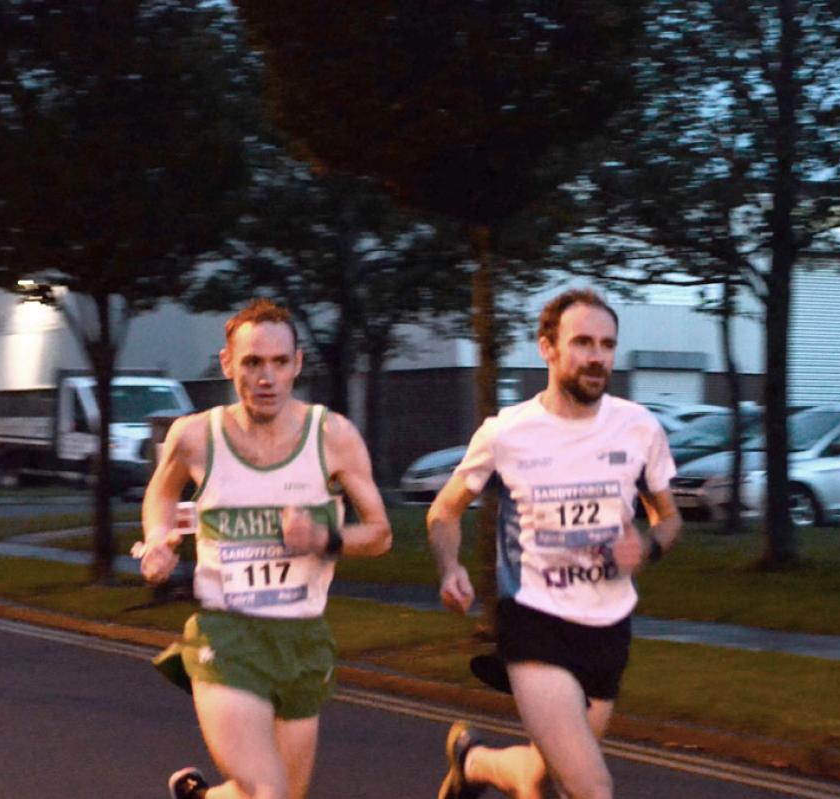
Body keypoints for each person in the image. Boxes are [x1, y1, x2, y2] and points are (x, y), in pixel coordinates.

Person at [428, 288, 681, 799]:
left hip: (609, 627)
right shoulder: (507, 433)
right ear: (547, 346)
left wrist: (648, 547)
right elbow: (444, 512)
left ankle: (473, 764)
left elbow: (669, 518)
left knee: (543, 778)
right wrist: (449, 565)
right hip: (535, 621)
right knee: (590, 786)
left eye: (607, 345)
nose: (596, 357)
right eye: (582, 342)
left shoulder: (638, 428)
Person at [139, 298, 392, 799]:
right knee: (269, 790)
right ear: (228, 363)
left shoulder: (334, 437)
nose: (266, 377)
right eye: (253, 362)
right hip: (227, 635)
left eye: (279, 362)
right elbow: (160, 494)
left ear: (298, 363)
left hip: (304, 640)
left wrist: (322, 539)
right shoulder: (195, 437)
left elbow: (381, 534)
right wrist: (156, 541)